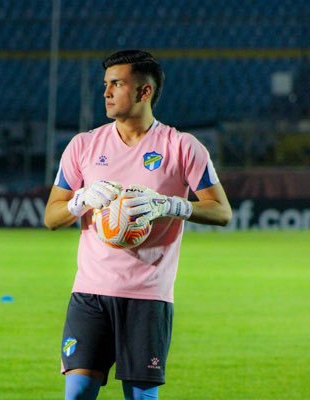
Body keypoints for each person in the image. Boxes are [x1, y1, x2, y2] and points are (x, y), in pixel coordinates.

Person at [44, 49, 232, 400]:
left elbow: (221, 211)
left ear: (144, 92)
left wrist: (171, 205)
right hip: (90, 293)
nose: (107, 92)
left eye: (116, 83)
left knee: (141, 398)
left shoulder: (182, 147)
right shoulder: (83, 146)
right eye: (105, 84)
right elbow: (52, 217)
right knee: (77, 394)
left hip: (148, 296)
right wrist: (79, 200)